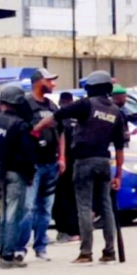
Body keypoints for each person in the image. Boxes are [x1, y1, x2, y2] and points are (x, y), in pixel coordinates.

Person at [33, 71, 125, 265]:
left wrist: (37, 129)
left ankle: (86, 252)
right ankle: (109, 250)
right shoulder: (116, 112)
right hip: (104, 163)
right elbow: (119, 147)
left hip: (84, 161)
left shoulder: (86, 104)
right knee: (106, 207)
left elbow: (56, 116)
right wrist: (119, 175)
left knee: (83, 206)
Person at [0, 85, 37, 269]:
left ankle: (3, 252)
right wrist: (30, 174)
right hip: (16, 173)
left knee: (4, 213)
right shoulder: (20, 125)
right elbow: (27, 154)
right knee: (14, 214)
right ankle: (8, 255)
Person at [16, 68, 64, 262]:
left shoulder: (53, 106)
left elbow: (62, 133)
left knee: (45, 208)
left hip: (51, 163)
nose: (53, 84)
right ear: (38, 82)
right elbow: (22, 133)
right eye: (49, 80)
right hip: (33, 165)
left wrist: (62, 158)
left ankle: (41, 246)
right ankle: (20, 247)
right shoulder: (25, 106)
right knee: (27, 208)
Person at [53, 92, 79, 243]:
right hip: (77, 161)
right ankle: (76, 230)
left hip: (62, 162)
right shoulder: (78, 118)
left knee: (61, 198)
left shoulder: (59, 117)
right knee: (75, 198)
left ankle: (64, 230)